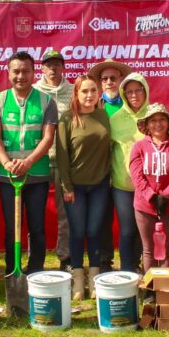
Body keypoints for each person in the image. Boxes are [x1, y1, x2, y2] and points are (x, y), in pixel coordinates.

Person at [0, 51, 58, 276]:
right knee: (12, 228)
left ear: (33, 72)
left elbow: (48, 138)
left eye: (26, 71)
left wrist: (28, 162)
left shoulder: (47, 101)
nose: (21, 76)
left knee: (36, 228)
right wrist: (7, 163)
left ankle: (36, 270)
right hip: (8, 176)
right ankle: (13, 272)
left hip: (36, 174)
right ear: (9, 73)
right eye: (16, 71)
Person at [56, 75, 112, 299]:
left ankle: (94, 279)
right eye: (84, 91)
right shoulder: (67, 119)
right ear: (76, 94)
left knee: (94, 231)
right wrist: (66, 186)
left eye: (93, 91)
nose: (89, 95)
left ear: (98, 93)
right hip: (75, 187)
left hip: (99, 185)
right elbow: (62, 156)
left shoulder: (105, 115)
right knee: (78, 232)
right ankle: (78, 281)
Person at [131, 103, 169, 272]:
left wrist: (166, 195)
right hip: (144, 206)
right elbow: (137, 176)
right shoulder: (139, 147)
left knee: (167, 250)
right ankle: (150, 289)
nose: (158, 124)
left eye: (162, 119)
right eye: (153, 120)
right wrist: (152, 196)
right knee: (148, 250)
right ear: (147, 125)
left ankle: (165, 289)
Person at [88, 58, 134, 272]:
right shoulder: (92, 105)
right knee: (101, 218)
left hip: (124, 172)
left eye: (113, 78)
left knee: (131, 222)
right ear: (99, 82)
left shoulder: (130, 105)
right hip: (99, 172)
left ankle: (135, 261)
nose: (109, 82)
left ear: (120, 80)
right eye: (104, 78)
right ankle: (105, 261)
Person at [34, 49, 73, 269]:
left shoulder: (72, 90)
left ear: (63, 67)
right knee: (34, 211)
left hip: (62, 160)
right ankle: (35, 259)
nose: (53, 68)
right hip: (38, 159)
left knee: (64, 213)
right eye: (49, 64)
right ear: (42, 68)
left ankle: (64, 257)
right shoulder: (34, 92)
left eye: (57, 64)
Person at [109, 72, 151, 273]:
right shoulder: (115, 119)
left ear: (145, 91)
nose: (134, 95)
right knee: (127, 230)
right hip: (122, 185)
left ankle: (148, 270)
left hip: (150, 186)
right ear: (123, 94)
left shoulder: (154, 115)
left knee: (146, 231)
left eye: (138, 90)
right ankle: (127, 270)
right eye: (129, 91)